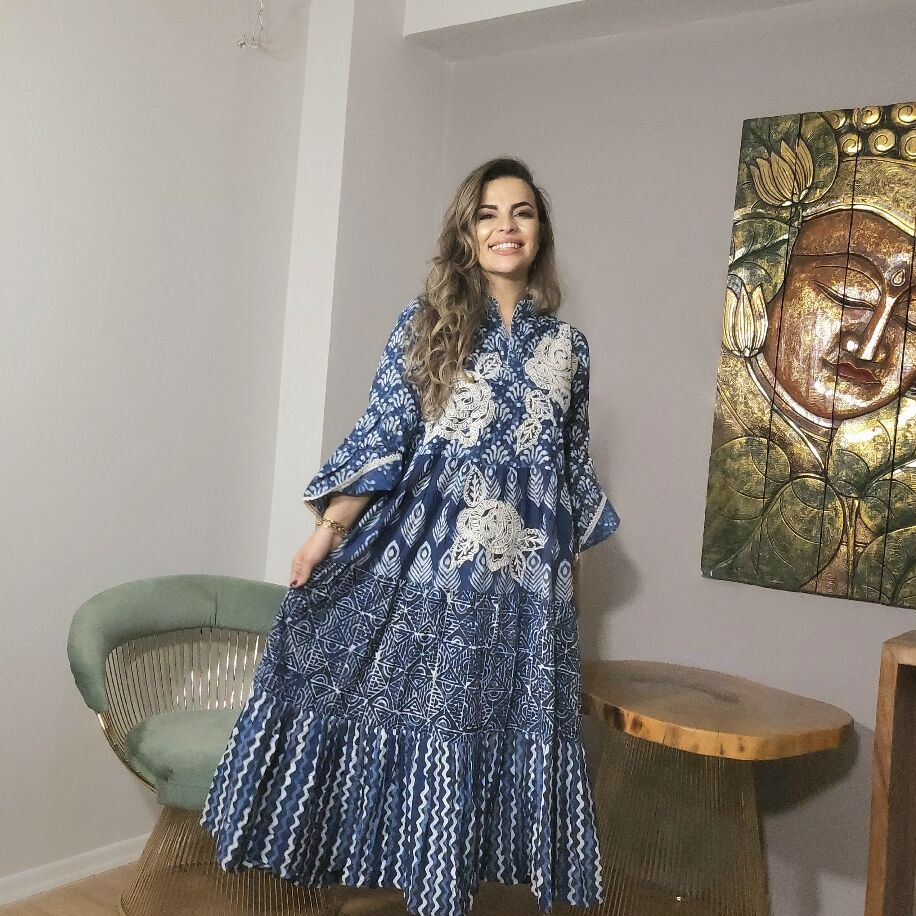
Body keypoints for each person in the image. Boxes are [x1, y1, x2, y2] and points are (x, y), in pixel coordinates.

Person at [201, 156, 620, 916]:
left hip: (528, 591)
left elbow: (568, 481)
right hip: (431, 569)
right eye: (488, 214)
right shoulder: (426, 325)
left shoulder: (570, 349)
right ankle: (424, 891)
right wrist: (328, 532)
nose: (505, 227)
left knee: (498, 728)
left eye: (522, 212)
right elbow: (384, 437)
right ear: (466, 232)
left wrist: (569, 599)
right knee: (432, 721)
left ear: (540, 232)